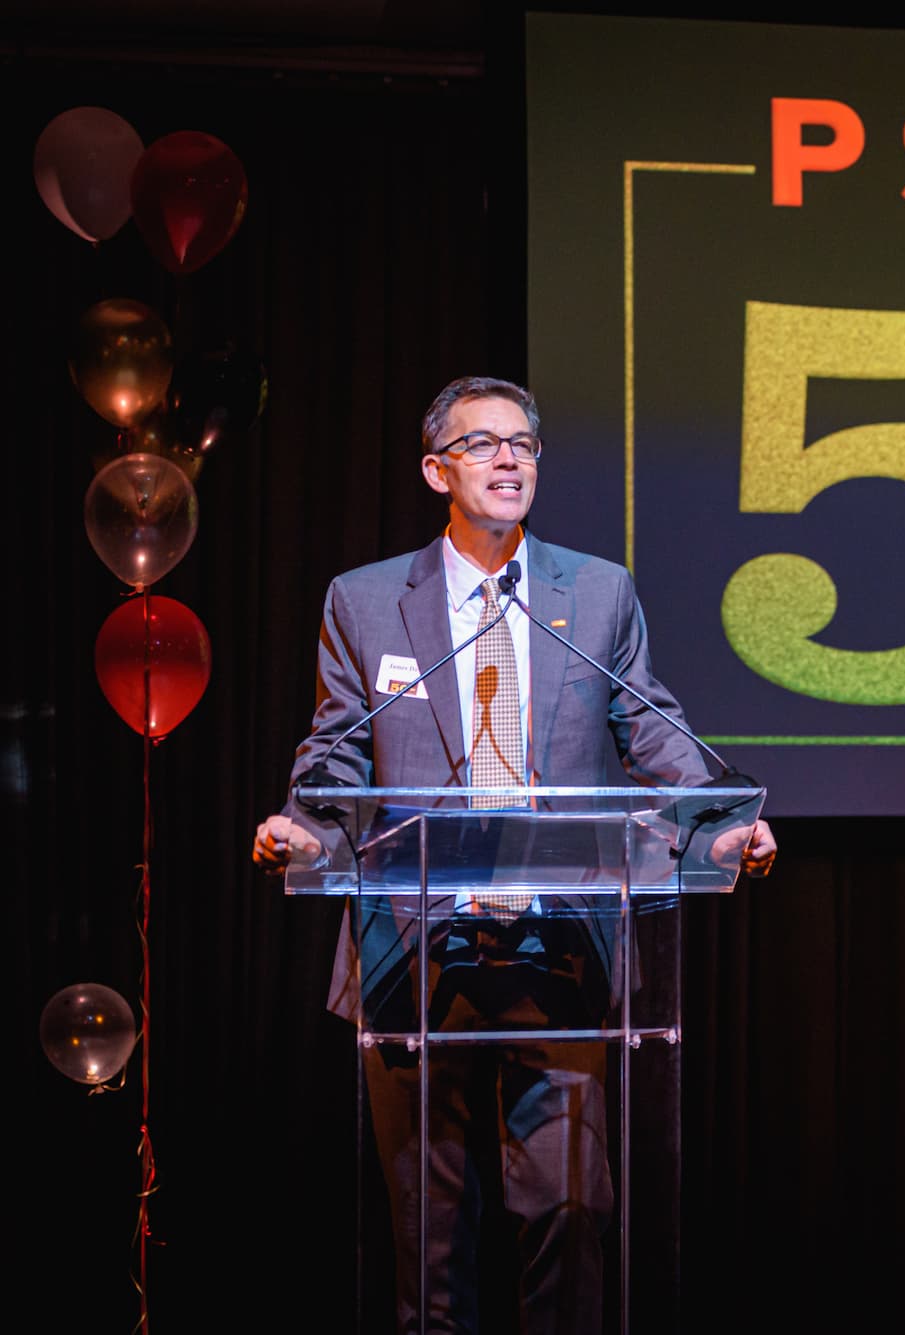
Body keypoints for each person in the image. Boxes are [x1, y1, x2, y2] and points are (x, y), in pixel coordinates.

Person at [252, 376, 774, 1335]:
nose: (508, 459)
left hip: (557, 946)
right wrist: (307, 830)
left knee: (570, 1212)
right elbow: (336, 753)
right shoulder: (365, 601)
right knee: (431, 1237)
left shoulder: (598, 592)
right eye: (482, 443)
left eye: (523, 444)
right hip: (413, 947)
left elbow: (655, 732)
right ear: (435, 470)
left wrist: (720, 824)